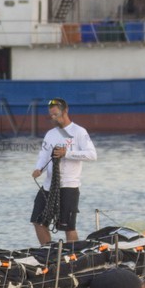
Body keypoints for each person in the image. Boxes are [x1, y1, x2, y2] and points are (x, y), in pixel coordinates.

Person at [30, 98, 97, 245]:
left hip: (69, 186)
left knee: (68, 226)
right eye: (51, 115)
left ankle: (73, 257)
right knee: (37, 221)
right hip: (49, 186)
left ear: (65, 111)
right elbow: (44, 154)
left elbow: (92, 155)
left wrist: (67, 153)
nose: (53, 118)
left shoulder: (79, 132)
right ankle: (49, 253)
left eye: (56, 114)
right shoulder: (50, 134)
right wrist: (38, 168)